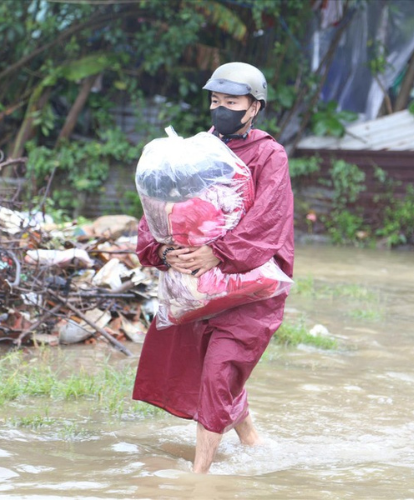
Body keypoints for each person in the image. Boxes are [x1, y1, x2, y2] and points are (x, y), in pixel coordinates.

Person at [132, 62, 294, 473]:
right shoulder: (196, 151)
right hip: (197, 287)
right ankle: (253, 442)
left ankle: (199, 477)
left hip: (251, 289)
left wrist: (216, 253)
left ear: (254, 107)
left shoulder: (268, 155)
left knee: (219, 372)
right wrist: (163, 253)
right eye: (215, 101)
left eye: (232, 102)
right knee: (212, 370)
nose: (221, 109)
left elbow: (269, 220)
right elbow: (160, 212)